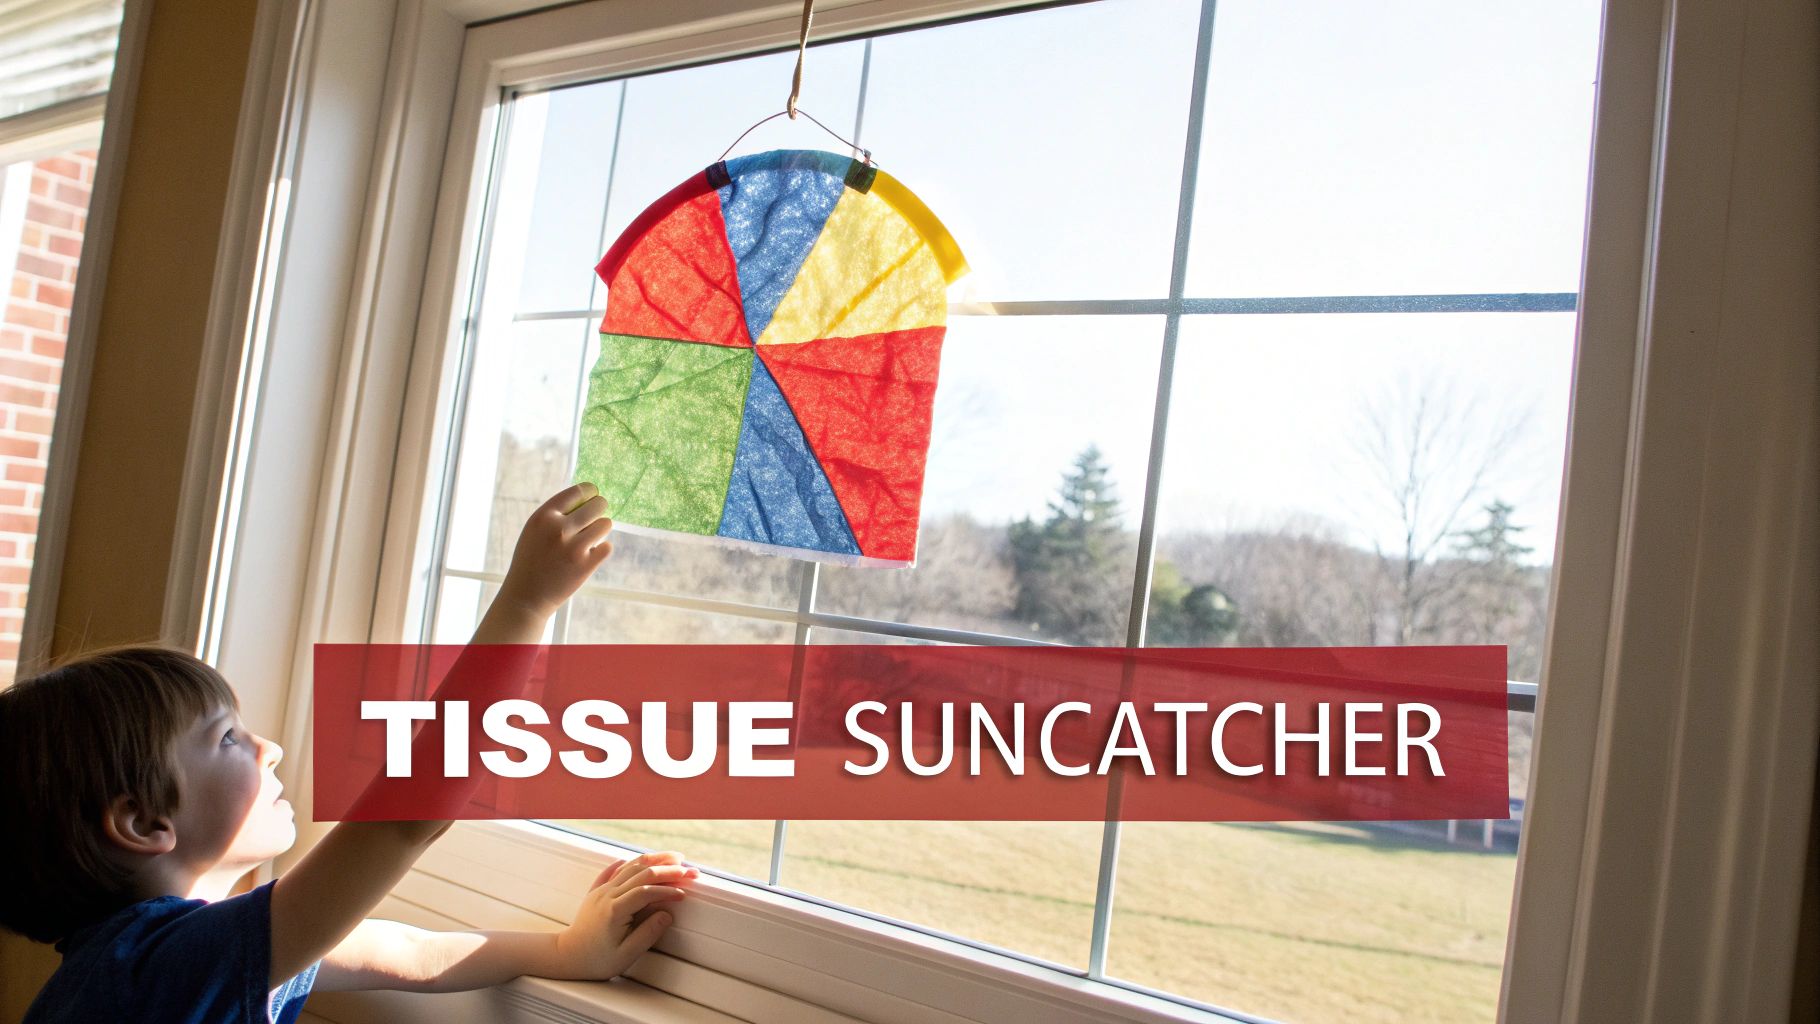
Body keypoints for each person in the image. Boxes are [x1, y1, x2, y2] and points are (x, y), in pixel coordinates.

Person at [0, 482, 694, 1022]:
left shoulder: (173, 955)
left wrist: (566, 951)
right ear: (143, 822)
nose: (269, 748)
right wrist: (526, 605)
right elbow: (401, 822)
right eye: (227, 738)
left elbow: (406, 951)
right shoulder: (157, 968)